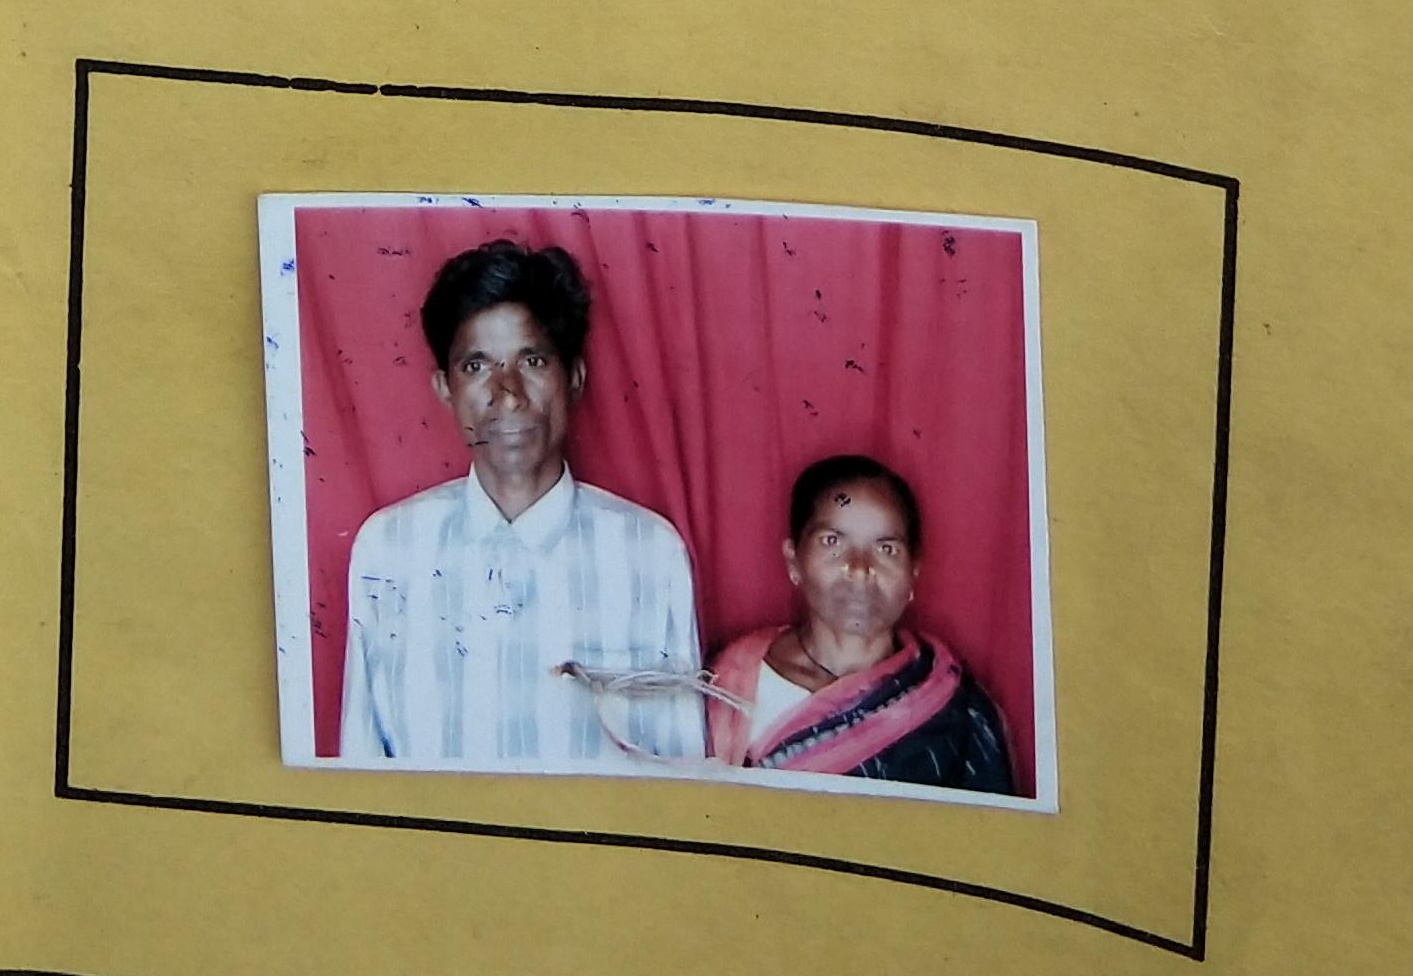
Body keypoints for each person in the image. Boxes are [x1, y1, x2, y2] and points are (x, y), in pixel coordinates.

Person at [337, 237, 705, 773]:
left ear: (573, 377)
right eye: (476, 366)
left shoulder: (649, 552)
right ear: (445, 388)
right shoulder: (389, 548)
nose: (507, 393)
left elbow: (684, 771)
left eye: (532, 361)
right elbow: (360, 761)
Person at [705, 454, 1015, 791]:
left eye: (886, 549)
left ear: (913, 573)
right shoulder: (731, 682)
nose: (859, 568)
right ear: (794, 561)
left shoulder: (955, 708)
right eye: (832, 542)